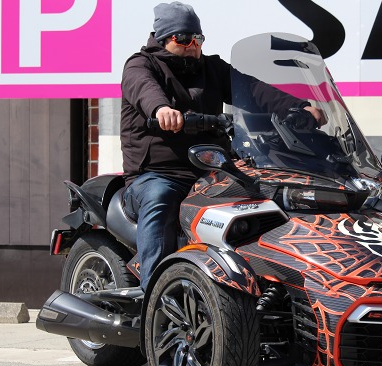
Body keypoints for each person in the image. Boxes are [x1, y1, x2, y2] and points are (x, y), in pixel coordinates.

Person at [120, 2, 325, 290]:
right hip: (158, 174)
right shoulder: (141, 65)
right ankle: (154, 291)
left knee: (266, 193)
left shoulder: (212, 68)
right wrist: (161, 110)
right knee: (160, 198)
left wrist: (298, 106)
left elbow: (252, 89)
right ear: (164, 38)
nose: (193, 45)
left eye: (198, 38)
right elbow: (145, 89)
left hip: (210, 171)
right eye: (183, 38)